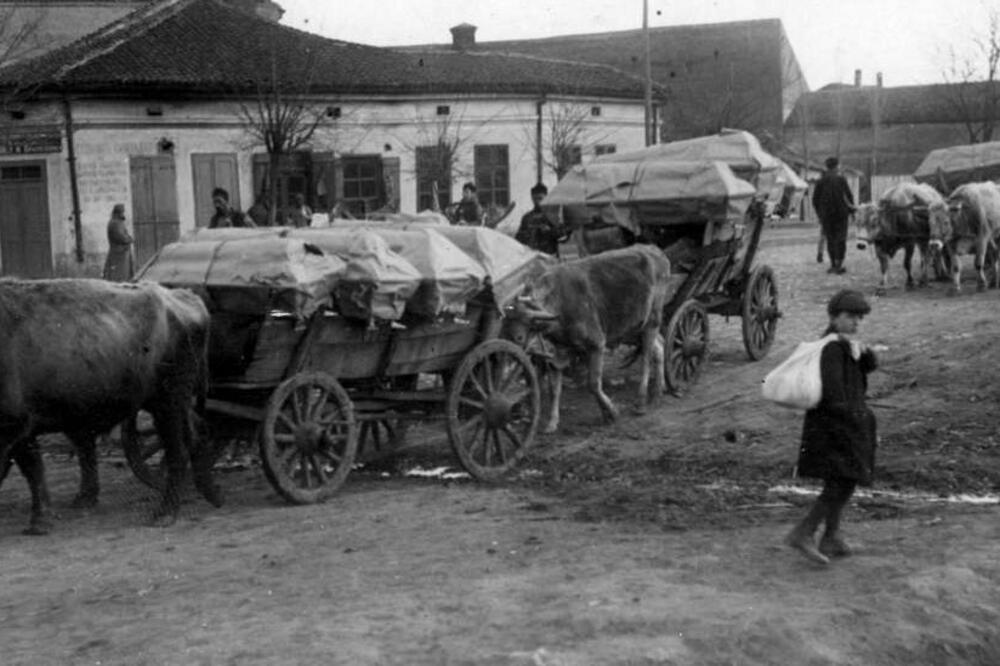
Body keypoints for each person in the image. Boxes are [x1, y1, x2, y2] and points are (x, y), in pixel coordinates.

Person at [785, 289, 878, 565]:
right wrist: (859, 418)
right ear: (834, 318)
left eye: (859, 318)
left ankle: (831, 536)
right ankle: (803, 532)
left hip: (842, 424)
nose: (856, 323)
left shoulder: (843, 346)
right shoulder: (831, 349)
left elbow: (866, 372)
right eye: (850, 317)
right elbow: (835, 394)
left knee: (844, 481)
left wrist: (865, 354)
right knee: (840, 482)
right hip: (835, 427)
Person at [811, 157, 855, 274]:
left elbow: (815, 200)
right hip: (841, 214)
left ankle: (833, 264)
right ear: (837, 166)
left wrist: (820, 214)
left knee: (830, 239)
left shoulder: (821, 181)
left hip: (827, 216)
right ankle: (839, 264)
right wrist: (852, 212)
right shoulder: (841, 179)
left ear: (826, 166)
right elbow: (849, 196)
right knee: (841, 239)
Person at [515, 183, 567, 256]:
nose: (537, 201)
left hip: (549, 257)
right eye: (534, 199)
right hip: (531, 258)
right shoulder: (527, 217)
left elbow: (563, 238)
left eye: (540, 198)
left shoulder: (553, 216)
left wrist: (550, 231)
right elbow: (518, 239)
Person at [102, 203, 134, 281]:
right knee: (118, 273)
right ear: (118, 213)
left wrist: (128, 237)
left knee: (122, 272)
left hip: (121, 252)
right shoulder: (115, 223)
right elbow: (120, 237)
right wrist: (129, 239)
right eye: (122, 212)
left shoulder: (117, 222)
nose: (123, 214)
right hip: (119, 253)